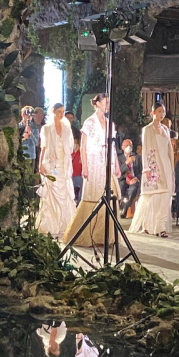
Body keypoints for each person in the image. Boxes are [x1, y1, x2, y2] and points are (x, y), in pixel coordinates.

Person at [62, 93, 121, 247]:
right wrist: (85, 167)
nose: (107, 105)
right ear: (98, 103)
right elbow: (83, 146)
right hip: (94, 161)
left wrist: (116, 163)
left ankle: (106, 235)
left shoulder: (110, 123)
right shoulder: (89, 122)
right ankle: (85, 234)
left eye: (108, 102)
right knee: (93, 195)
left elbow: (113, 146)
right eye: (105, 102)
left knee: (109, 195)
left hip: (107, 161)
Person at [129, 102, 174, 238]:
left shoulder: (165, 130)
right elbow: (146, 149)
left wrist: (171, 168)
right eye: (159, 111)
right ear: (153, 113)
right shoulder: (147, 129)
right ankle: (149, 225)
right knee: (153, 196)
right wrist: (147, 168)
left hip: (165, 165)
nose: (161, 114)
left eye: (163, 112)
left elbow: (169, 150)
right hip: (154, 165)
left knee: (166, 197)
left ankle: (161, 227)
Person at [36, 103, 76, 237]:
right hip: (50, 163)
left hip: (63, 164)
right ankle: (50, 224)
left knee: (64, 192)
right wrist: (40, 163)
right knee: (51, 192)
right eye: (59, 111)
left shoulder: (66, 127)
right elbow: (44, 147)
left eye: (63, 111)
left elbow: (69, 147)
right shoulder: (47, 128)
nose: (61, 114)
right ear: (53, 111)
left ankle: (64, 223)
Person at [118, 139, 142, 218]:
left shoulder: (137, 158)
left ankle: (124, 209)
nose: (128, 147)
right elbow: (118, 172)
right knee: (121, 186)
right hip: (123, 179)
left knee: (133, 188)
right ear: (122, 147)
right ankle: (120, 205)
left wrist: (136, 178)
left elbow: (141, 171)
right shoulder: (119, 158)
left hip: (133, 179)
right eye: (126, 146)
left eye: (130, 146)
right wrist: (126, 163)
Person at [18, 105, 39, 172]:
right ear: (22, 115)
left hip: (30, 157)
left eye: (31, 116)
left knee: (29, 177)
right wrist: (22, 138)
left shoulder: (35, 128)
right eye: (27, 115)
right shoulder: (17, 127)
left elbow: (37, 143)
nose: (29, 118)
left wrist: (30, 134)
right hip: (19, 156)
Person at [72, 137, 83, 205]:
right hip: (71, 176)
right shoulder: (71, 153)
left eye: (76, 143)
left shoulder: (81, 154)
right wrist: (74, 152)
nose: (74, 145)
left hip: (79, 176)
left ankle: (79, 200)